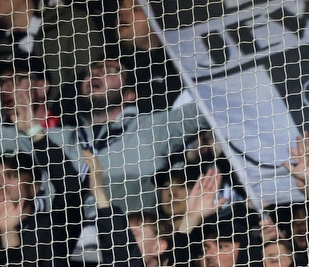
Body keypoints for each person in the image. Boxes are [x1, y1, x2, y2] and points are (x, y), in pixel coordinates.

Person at [61, 57, 209, 214]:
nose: (95, 73)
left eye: (110, 71)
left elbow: (208, 108)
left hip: (127, 235)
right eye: (90, 71)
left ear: (129, 95)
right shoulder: (59, 138)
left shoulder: (150, 129)